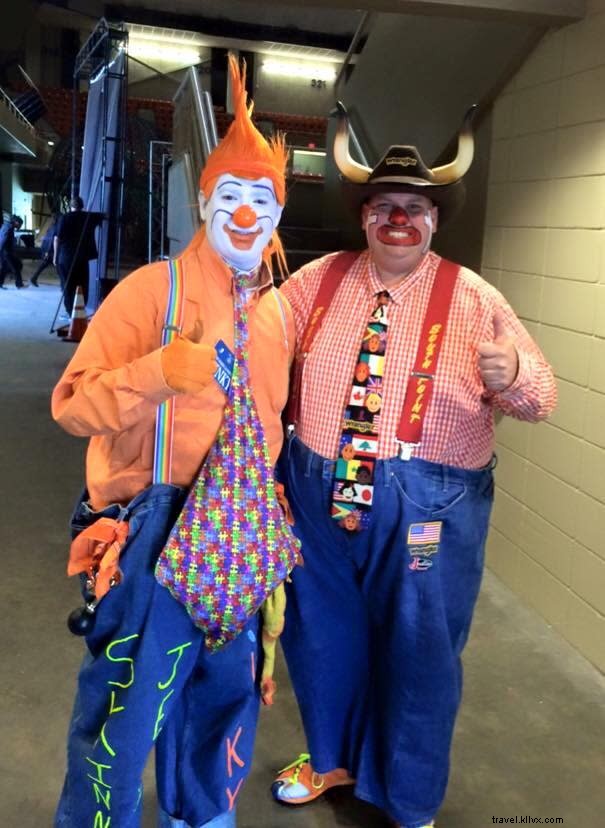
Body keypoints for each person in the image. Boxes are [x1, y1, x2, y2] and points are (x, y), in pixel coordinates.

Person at [270, 107, 557, 828]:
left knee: (420, 651)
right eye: (383, 207)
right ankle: (331, 756)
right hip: (315, 489)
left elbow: (541, 399)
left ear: (434, 220)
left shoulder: (473, 297)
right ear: (364, 216)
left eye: (414, 209)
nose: (397, 219)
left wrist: (513, 369)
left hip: (428, 502)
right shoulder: (316, 280)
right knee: (319, 635)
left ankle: (409, 797)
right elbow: (255, 346)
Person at [51, 54, 299, 828]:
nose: (247, 212)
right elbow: (72, 409)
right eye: (232, 194)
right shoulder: (146, 293)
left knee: (222, 697)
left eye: (263, 197)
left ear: (280, 212)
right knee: (125, 713)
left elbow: (269, 434)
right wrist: (159, 372)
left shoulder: (276, 319)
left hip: (237, 538)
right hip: (152, 534)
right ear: (202, 200)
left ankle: (200, 812)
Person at [53, 195, 99, 313]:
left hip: (66, 257)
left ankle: (70, 313)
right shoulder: (89, 217)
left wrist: (55, 257)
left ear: (71, 206)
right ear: (82, 205)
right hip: (82, 258)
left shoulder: (64, 218)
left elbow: (57, 239)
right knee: (82, 285)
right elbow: (105, 216)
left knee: (68, 286)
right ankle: (79, 311)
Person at [30, 212, 60, 286]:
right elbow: (51, 240)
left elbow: (46, 239)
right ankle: (64, 283)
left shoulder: (52, 227)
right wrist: (47, 252)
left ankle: (34, 278)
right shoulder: (56, 227)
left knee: (45, 264)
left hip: (48, 250)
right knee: (59, 266)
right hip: (51, 251)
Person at [0, 214, 26, 289]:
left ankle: (0, 282)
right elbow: (2, 239)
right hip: (6, 252)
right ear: (16, 222)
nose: (20, 226)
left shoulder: (7, 226)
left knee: (4, 268)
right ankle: (19, 284)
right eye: (20, 224)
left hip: (5, 251)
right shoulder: (9, 227)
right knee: (16, 267)